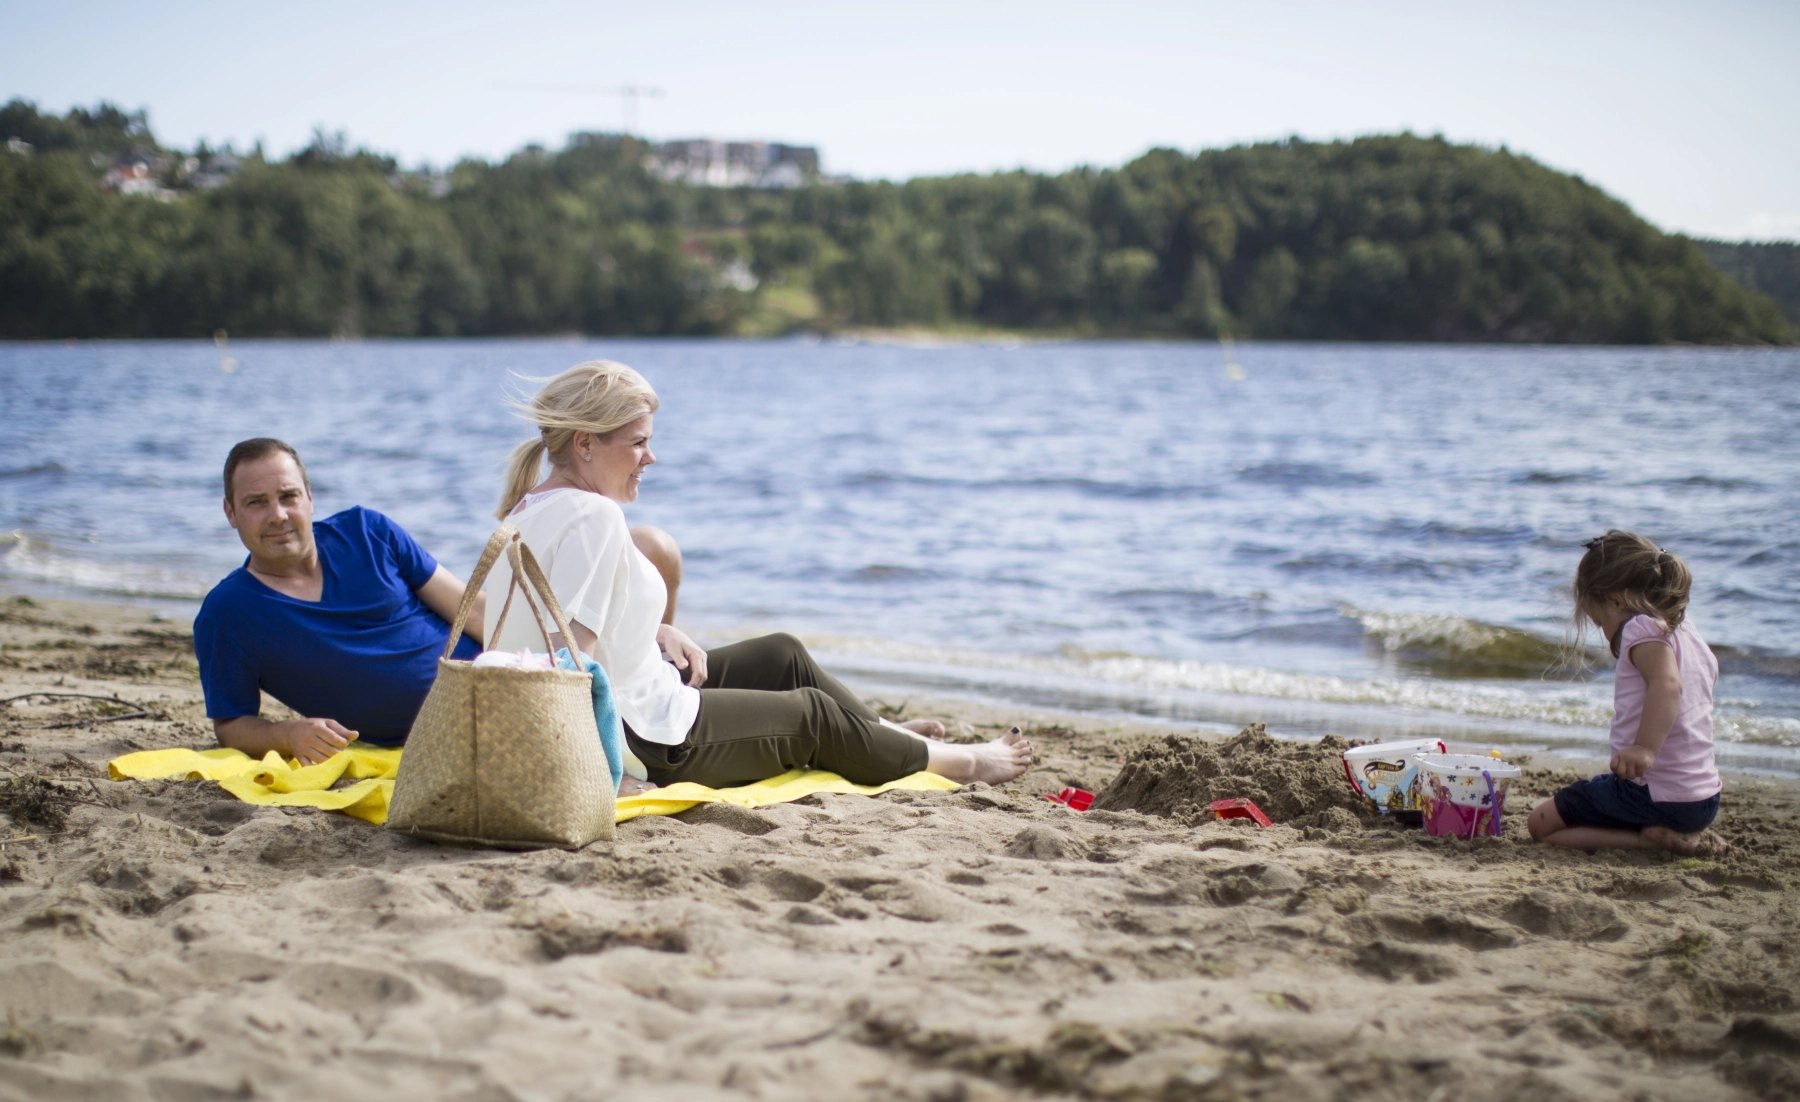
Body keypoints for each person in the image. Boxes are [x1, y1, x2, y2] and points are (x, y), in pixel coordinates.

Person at [480, 360, 1035, 794]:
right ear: (585, 443)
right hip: (649, 738)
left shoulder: (531, 508)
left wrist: (656, 630)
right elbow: (570, 666)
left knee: (781, 653)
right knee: (812, 718)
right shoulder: (594, 515)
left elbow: (554, 618)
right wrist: (610, 773)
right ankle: (965, 762)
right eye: (639, 441)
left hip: (644, 691)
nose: (651, 457)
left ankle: (878, 738)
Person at [193, 438, 487, 766]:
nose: (277, 515)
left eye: (288, 496)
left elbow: (473, 610)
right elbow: (231, 725)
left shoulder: (369, 532)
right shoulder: (227, 613)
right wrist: (288, 734)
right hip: (433, 744)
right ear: (230, 513)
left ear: (309, 498)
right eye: (256, 503)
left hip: (503, 683)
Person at [1527, 531, 1731, 856]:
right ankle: (1673, 834)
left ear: (1615, 600)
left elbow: (1667, 685)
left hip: (1651, 795)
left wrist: (1644, 749)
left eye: (1598, 621)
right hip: (1703, 800)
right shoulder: (1687, 631)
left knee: (1540, 824)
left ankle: (1645, 840)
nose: (1603, 631)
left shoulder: (1640, 628)